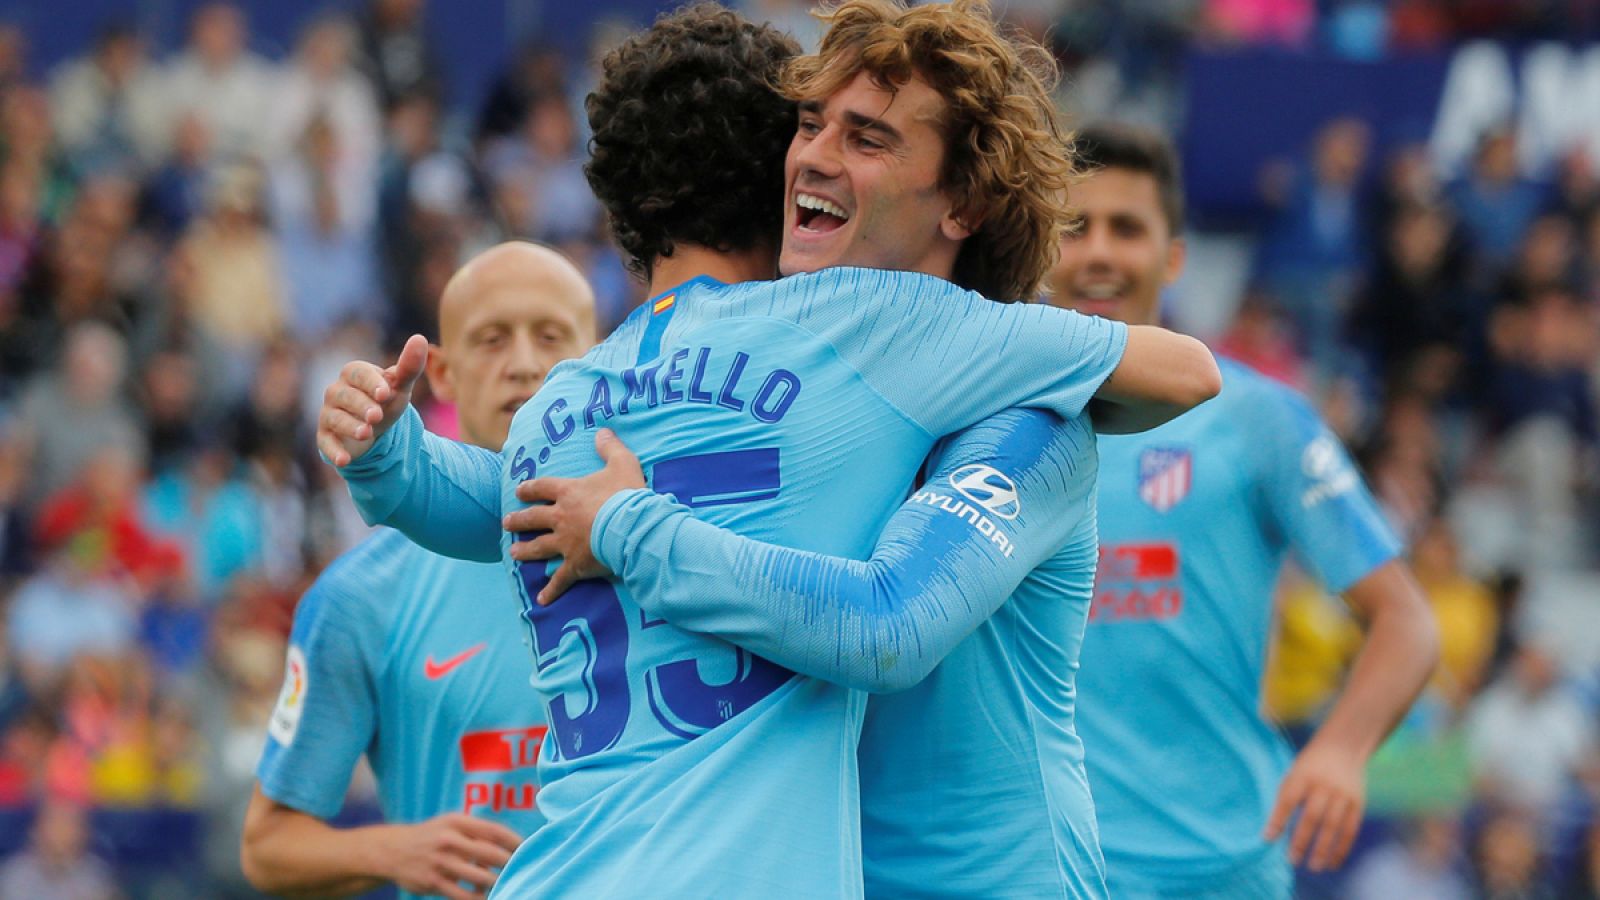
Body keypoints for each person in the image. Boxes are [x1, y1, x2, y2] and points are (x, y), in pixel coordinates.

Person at [316, 4, 1218, 896]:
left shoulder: (1029, 421)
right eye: (807, 125)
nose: (812, 156)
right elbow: (531, 502)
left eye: (866, 138)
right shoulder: (794, 377)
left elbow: (888, 625)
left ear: (962, 203)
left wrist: (625, 527)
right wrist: (394, 457)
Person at [1045, 123, 1438, 898]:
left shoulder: (1256, 415)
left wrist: (1341, 749)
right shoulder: (989, 424)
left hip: (1219, 864)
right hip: (1041, 867)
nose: (1099, 253)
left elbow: (1408, 622)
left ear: (1174, 257)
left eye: (1127, 228)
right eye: (1074, 227)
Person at [239, 242, 596, 900]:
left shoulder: (654, 553)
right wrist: (392, 848)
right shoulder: (360, 596)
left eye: (551, 336)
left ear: (597, 358)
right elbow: (266, 847)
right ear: (443, 373)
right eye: (492, 339)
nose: (524, 363)